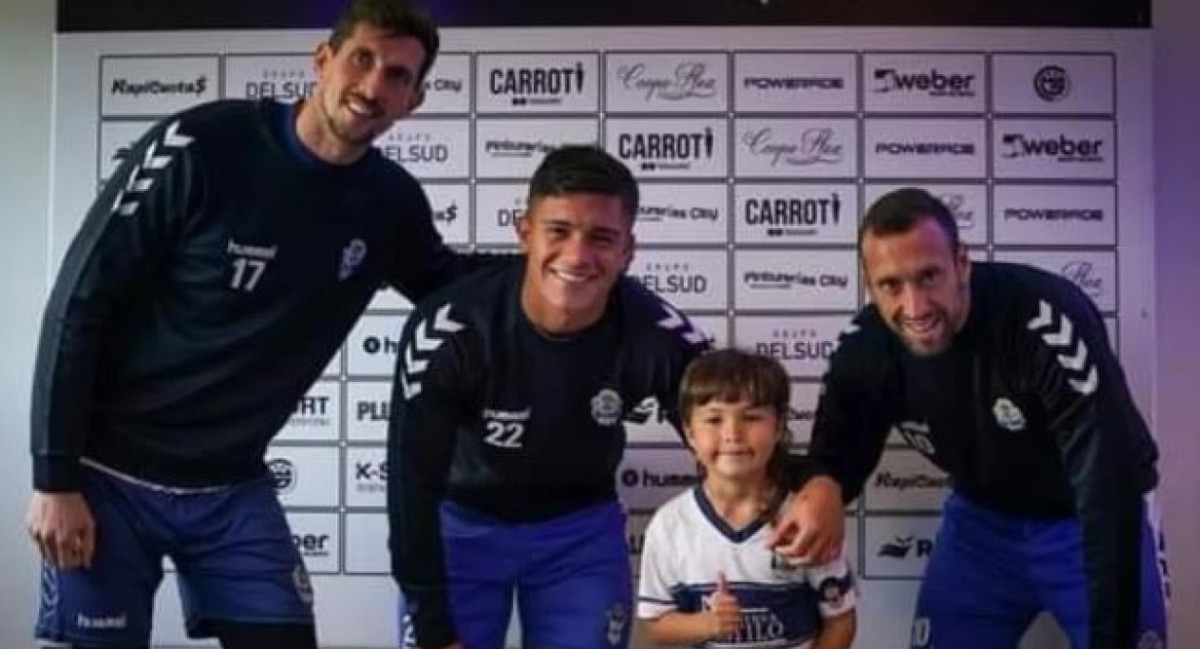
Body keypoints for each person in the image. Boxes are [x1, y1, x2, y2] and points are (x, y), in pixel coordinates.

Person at [26, 2, 504, 647]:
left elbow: (447, 286)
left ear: (413, 101)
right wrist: (55, 479)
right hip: (107, 478)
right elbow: (79, 302)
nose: (372, 86)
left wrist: (561, 264)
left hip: (232, 486)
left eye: (397, 76)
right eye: (361, 59)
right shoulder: (199, 146)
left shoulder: (390, 202)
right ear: (322, 59)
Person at [788, 187, 1167, 649]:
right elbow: (837, 444)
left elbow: (1106, 484)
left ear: (961, 263)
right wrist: (824, 483)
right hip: (981, 527)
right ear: (870, 287)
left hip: (1086, 521)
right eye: (891, 285)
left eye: (929, 277)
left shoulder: (1043, 321)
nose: (915, 307)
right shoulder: (867, 342)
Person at [387, 144, 710, 649]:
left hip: (580, 533)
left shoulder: (658, 332)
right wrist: (431, 621)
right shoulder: (450, 327)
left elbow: (732, 435)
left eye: (601, 238)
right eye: (558, 231)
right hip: (459, 528)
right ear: (524, 234)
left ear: (628, 250)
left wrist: (805, 494)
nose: (577, 256)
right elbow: (411, 484)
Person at [637, 348, 856, 649]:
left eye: (751, 417)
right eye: (714, 420)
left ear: (778, 427)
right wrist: (705, 624)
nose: (733, 434)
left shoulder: (806, 520)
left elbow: (840, 621)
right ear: (689, 432)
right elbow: (653, 628)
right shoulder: (669, 526)